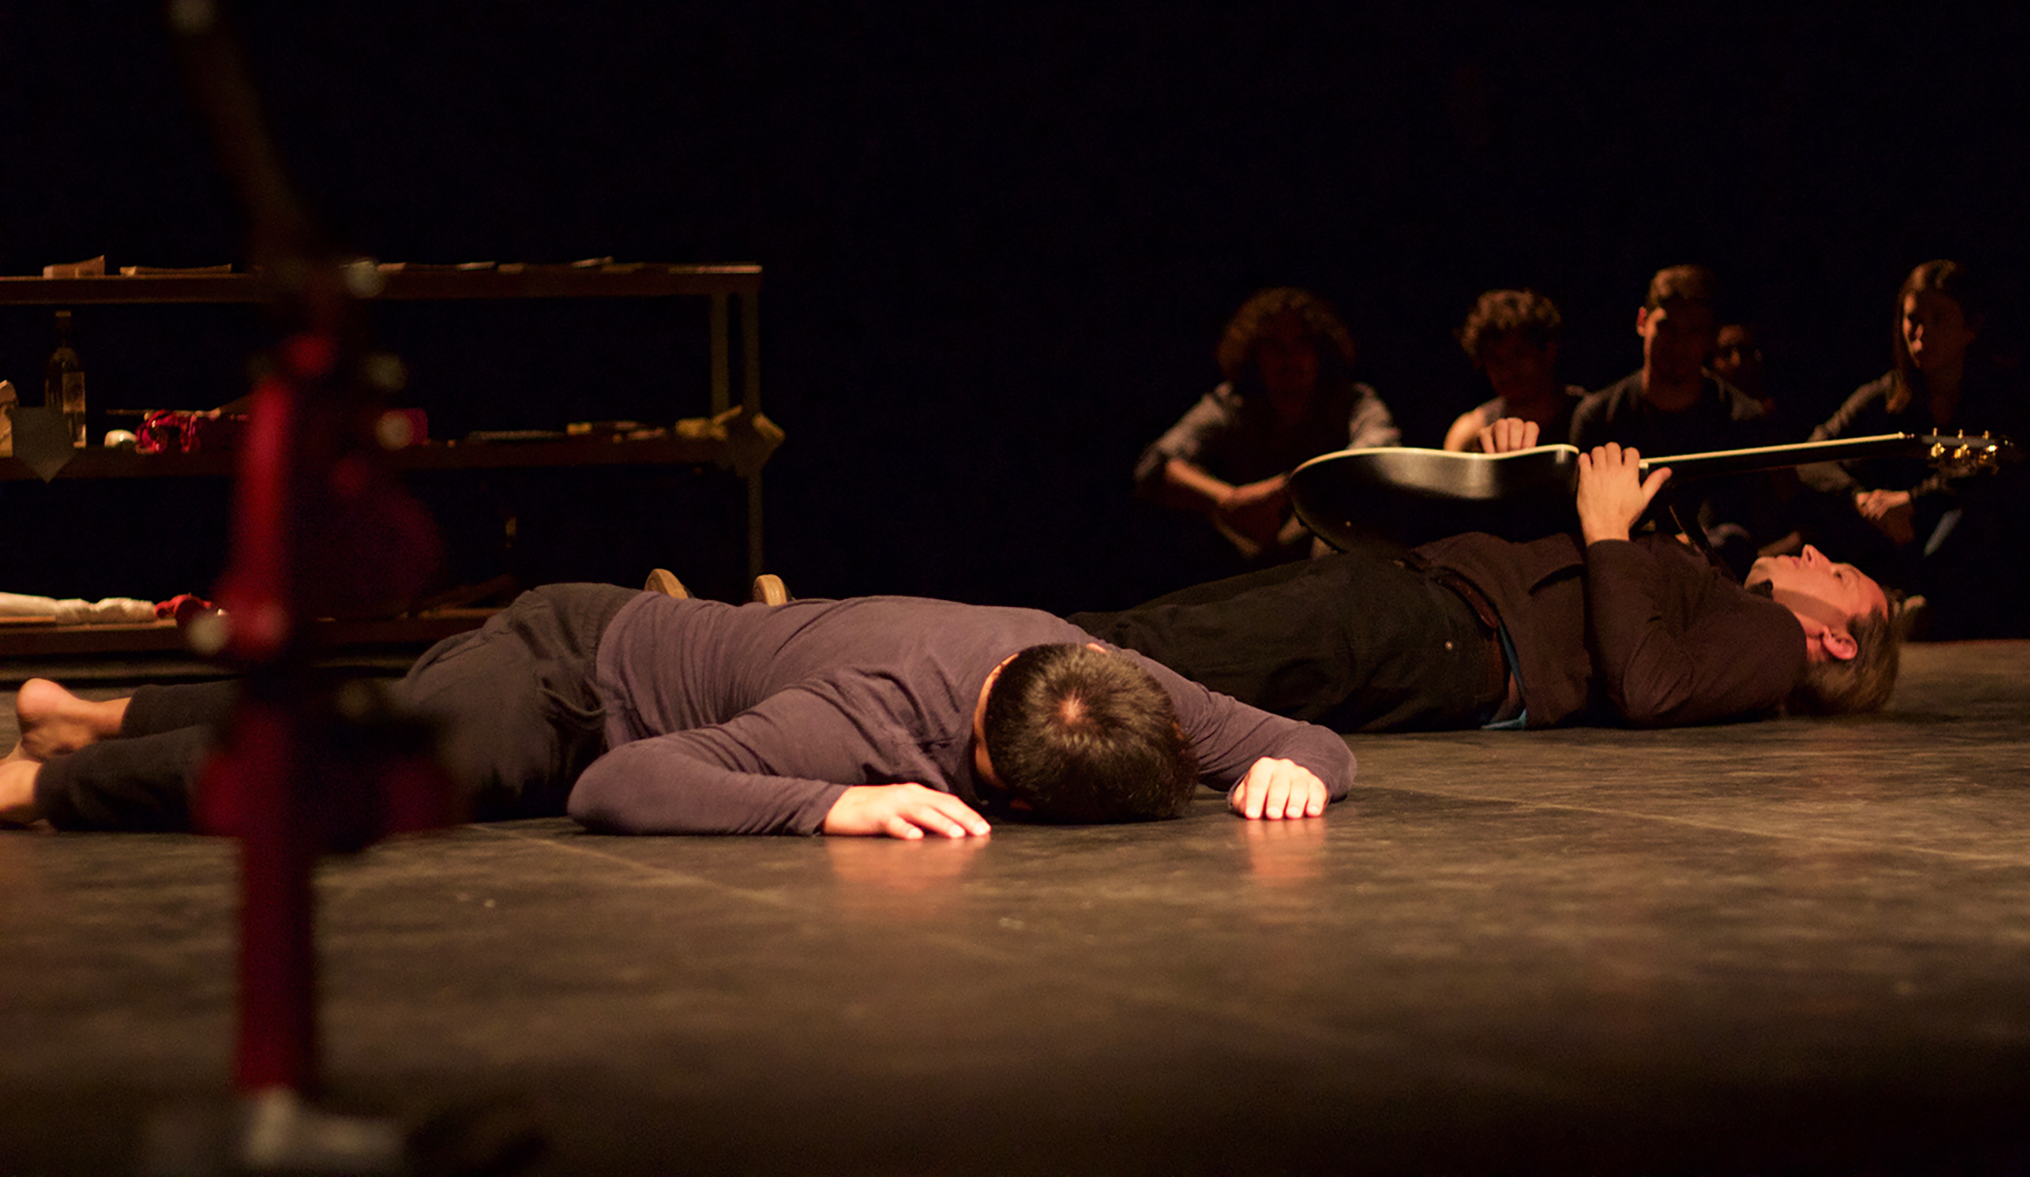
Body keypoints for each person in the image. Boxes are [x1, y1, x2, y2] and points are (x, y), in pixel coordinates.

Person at [1, 584, 1352, 836]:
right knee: (386, 768)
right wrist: (828, 806)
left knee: (368, 714)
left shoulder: (1096, 676)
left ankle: (84, 713)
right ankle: (41, 786)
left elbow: (1309, 739)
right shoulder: (861, 721)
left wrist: (1292, 770)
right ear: (989, 776)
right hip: (567, 674)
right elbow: (616, 784)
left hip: (636, 673)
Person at [1074, 428, 1898, 734]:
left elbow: (1649, 687)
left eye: (1839, 572)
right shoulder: (1711, 585)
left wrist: (1608, 528)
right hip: (1434, 606)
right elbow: (1579, 594)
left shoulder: (1774, 643)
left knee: (1170, 647)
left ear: (1835, 639)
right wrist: (1518, 472)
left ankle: (1010, 668)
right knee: (1169, 634)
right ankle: (1017, 662)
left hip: (1456, 634)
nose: (1815, 553)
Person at [1792, 260, 2030, 639]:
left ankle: (1921, 604)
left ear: (1971, 328)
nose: (1921, 333)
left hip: (1962, 542)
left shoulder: (2001, 394)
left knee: (1971, 516)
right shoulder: (1885, 395)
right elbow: (1811, 454)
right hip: (1900, 538)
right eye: (1913, 319)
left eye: (1939, 318)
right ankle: (1895, 602)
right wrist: (1861, 499)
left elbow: (1998, 457)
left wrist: (1912, 500)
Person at [1135, 287, 1398, 564]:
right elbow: (1156, 464)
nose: (1289, 360)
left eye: (1301, 344)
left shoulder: (1352, 401)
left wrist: (1289, 488)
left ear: (1320, 351)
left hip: (1328, 559)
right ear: (1253, 355)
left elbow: (1377, 451)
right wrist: (1229, 500)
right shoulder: (1230, 403)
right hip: (1243, 562)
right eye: (1274, 347)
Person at [1569, 265, 1776, 575]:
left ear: (1710, 338)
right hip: (1620, 570)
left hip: (1710, 579)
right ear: (1642, 322)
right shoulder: (1598, 416)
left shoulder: (1740, 418)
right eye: (1667, 327)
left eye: (1693, 331)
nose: (1678, 344)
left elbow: (1741, 528)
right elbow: (1579, 518)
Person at [1443, 289, 1587, 453]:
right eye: (1495, 359)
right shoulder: (1468, 431)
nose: (1506, 369)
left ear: (1548, 351)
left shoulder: (1593, 417)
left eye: (1518, 355)